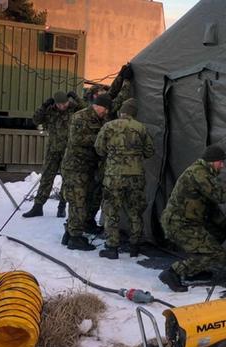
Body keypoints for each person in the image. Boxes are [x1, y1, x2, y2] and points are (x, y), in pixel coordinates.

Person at [158, 145, 226, 292]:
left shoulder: (202, 172)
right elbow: (219, 196)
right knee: (216, 254)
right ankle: (172, 273)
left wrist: (224, 224)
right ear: (212, 162)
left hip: (187, 221)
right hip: (179, 224)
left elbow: (209, 205)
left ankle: (193, 271)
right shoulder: (199, 174)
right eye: (220, 162)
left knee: (218, 234)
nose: (223, 166)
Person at [94, 99, 154, 259]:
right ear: (134, 114)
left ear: (122, 112)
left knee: (111, 210)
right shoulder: (141, 128)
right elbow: (149, 152)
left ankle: (112, 247)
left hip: (114, 176)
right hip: (136, 176)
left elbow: (99, 149)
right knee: (135, 211)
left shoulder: (109, 126)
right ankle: (135, 246)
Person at [60, 95, 112, 250]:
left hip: (89, 167)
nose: (107, 112)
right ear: (99, 106)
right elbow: (77, 139)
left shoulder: (101, 119)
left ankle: (73, 231)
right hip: (75, 167)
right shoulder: (80, 117)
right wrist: (101, 138)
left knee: (88, 199)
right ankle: (75, 238)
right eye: (106, 109)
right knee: (77, 201)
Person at [23, 91, 85, 218]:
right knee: (46, 178)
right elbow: (36, 120)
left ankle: (61, 207)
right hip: (52, 150)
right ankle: (38, 206)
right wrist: (44, 106)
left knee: (66, 179)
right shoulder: (50, 110)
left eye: (65, 103)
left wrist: (77, 98)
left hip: (68, 151)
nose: (63, 106)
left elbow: (88, 111)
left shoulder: (74, 109)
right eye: (60, 104)